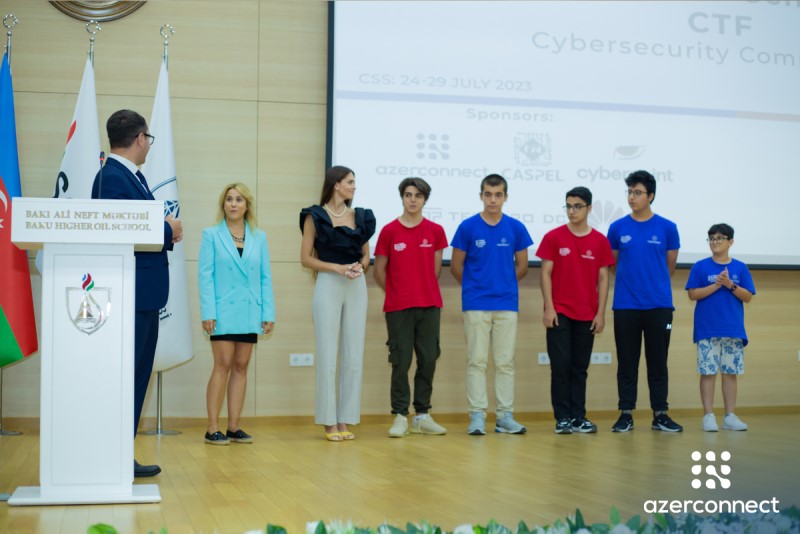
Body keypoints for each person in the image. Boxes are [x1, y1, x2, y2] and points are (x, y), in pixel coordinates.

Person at [91, 109, 183, 477]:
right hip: (130, 295)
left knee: (136, 379)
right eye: (149, 139)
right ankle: (111, 458)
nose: (149, 145)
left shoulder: (130, 176)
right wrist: (168, 229)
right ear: (141, 138)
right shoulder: (112, 178)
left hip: (143, 296)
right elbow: (120, 231)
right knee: (125, 380)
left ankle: (119, 457)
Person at [450, 174, 532, 436]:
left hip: (506, 304)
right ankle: (477, 415)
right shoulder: (467, 227)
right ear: (481, 196)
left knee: (505, 362)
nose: (493, 200)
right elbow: (455, 266)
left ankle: (504, 416)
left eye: (498, 195)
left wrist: (503, 284)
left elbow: (522, 266)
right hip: (476, 303)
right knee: (477, 361)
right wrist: (476, 287)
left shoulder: (516, 228)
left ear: (505, 197)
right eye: (488, 194)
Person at [300, 166, 375, 441]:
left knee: (354, 355)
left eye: (354, 182)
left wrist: (360, 267)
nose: (354, 186)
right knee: (327, 354)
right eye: (350, 182)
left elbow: (366, 255)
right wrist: (336, 268)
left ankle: (345, 419)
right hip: (328, 282)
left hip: (356, 283)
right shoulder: (314, 215)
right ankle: (328, 421)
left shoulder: (361, 217)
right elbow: (306, 258)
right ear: (336, 185)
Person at [199, 183, 275, 445]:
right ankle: (212, 428)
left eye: (239, 199)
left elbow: (265, 277)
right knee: (222, 364)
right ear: (223, 204)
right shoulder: (211, 235)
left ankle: (233, 427)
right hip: (221, 311)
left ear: (247, 205)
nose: (233, 204)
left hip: (249, 310)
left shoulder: (259, 237)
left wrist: (268, 313)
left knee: (241, 366)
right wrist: (208, 312)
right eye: (229, 199)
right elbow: (205, 276)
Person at [607, 170, 682, 433]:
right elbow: (614, 265)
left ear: (650, 196)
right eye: (629, 192)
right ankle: (626, 414)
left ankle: (660, 414)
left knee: (658, 362)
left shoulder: (668, 228)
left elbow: (669, 267)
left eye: (637, 192)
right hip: (625, 306)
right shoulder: (617, 228)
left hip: (660, 307)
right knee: (627, 363)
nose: (632, 197)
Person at [374, 177, 449, 438]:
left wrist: (420, 289)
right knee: (400, 361)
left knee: (428, 360)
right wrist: (397, 292)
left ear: (425, 199)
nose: (413, 200)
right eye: (408, 195)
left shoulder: (436, 230)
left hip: (429, 305)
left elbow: (435, 270)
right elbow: (379, 271)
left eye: (418, 195)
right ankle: (399, 416)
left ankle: (422, 416)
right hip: (398, 308)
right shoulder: (389, 231)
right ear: (402, 198)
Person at [537, 187, 614, 434]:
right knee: (560, 366)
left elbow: (604, 279)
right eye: (568, 206)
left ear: (589, 209)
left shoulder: (600, 241)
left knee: (579, 368)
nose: (572, 211)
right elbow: (545, 273)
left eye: (577, 206)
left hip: (587, 314)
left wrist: (600, 313)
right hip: (559, 312)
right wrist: (549, 307)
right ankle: (562, 418)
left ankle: (578, 417)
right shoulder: (553, 237)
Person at [686, 223, 754, 432]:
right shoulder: (700, 266)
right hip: (707, 330)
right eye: (712, 238)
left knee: (730, 373)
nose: (715, 242)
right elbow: (693, 294)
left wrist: (730, 285)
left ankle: (730, 416)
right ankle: (708, 416)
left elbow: (748, 296)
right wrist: (717, 284)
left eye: (719, 238)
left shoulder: (740, 267)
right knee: (707, 373)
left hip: (733, 329)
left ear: (730, 242)